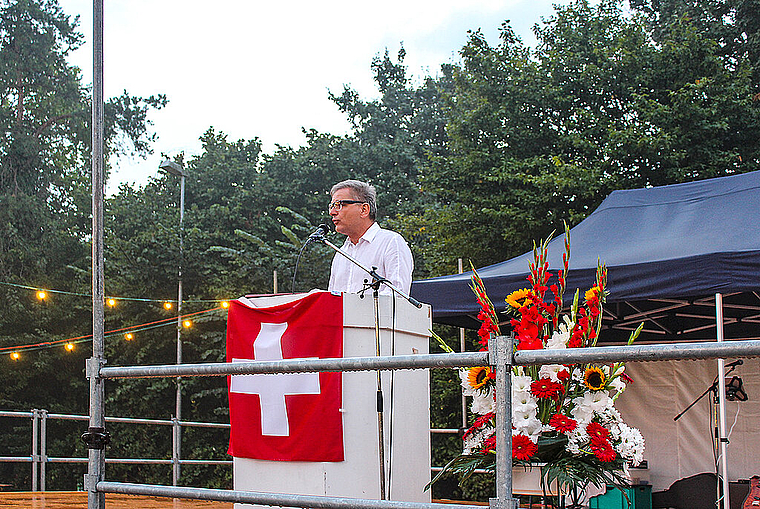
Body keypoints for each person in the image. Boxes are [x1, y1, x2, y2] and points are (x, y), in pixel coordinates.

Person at [327, 179, 413, 296]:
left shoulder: (391, 242)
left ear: (364, 209)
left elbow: (397, 295)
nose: (332, 212)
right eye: (331, 206)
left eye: (339, 205)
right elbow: (332, 297)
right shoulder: (341, 253)